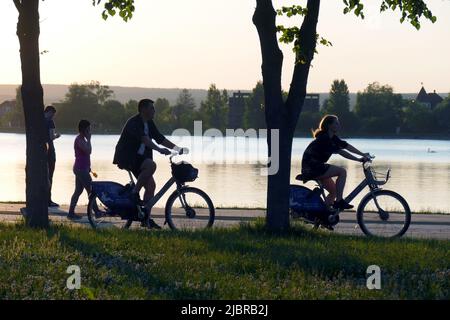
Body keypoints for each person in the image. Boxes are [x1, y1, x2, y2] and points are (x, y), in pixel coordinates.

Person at [113, 98, 186, 229]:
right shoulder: (134, 122)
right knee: (151, 165)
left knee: (151, 186)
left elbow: (160, 138)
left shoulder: (149, 123)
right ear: (143, 109)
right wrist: (159, 150)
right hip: (128, 157)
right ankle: (134, 193)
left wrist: (177, 149)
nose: (154, 111)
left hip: (139, 159)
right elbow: (145, 139)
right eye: (152, 108)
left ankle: (145, 218)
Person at [301, 115, 370, 210]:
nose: (339, 125)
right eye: (336, 123)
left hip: (317, 167)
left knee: (334, 191)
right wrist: (359, 159)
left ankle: (323, 214)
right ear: (329, 126)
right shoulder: (325, 138)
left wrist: (362, 154)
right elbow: (341, 151)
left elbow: (346, 146)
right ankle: (339, 201)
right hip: (312, 168)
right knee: (342, 171)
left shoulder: (332, 138)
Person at [68, 120, 97, 220]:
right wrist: (89, 139)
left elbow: (86, 154)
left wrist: (88, 167)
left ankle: (71, 213)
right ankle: (97, 211)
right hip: (80, 169)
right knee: (91, 190)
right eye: (88, 129)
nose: (90, 131)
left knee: (78, 191)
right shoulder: (79, 139)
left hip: (82, 168)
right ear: (84, 129)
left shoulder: (82, 139)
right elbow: (88, 151)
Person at [44, 105, 61, 208]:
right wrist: (57, 136)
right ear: (50, 112)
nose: (53, 116)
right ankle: (48, 200)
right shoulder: (50, 121)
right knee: (50, 176)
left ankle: (42, 199)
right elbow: (51, 136)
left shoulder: (39, 120)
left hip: (41, 151)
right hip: (50, 151)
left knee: (43, 176)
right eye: (53, 114)